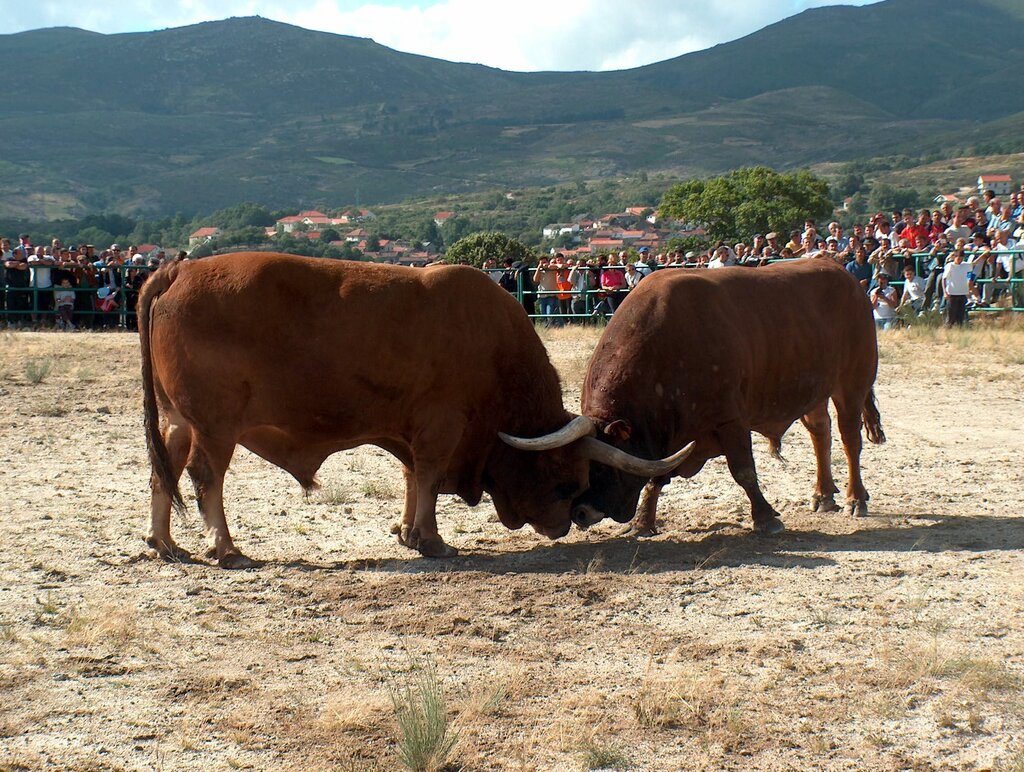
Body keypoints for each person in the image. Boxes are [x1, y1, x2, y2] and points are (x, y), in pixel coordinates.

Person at [942, 247, 973, 327]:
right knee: (951, 316)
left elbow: (974, 264)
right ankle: (947, 330)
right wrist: (945, 292)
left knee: (960, 316)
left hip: (962, 292)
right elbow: (944, 279)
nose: (959, 260)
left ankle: (959, 330)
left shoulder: (965, 265)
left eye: (961, 258)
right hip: (952, 293)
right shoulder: (950, 266)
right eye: (958, 257)